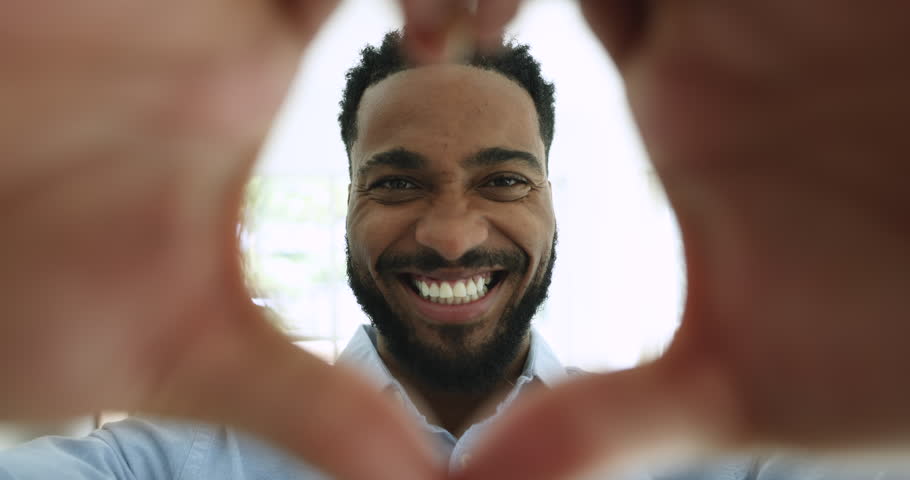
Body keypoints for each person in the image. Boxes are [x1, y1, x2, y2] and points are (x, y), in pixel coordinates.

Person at [2, 1, 910, 479]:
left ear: (553, 201)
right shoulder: (165, 466)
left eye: (503, 180)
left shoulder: (728, 462)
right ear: (347, 202)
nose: (449, 234)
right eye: (397, 183)